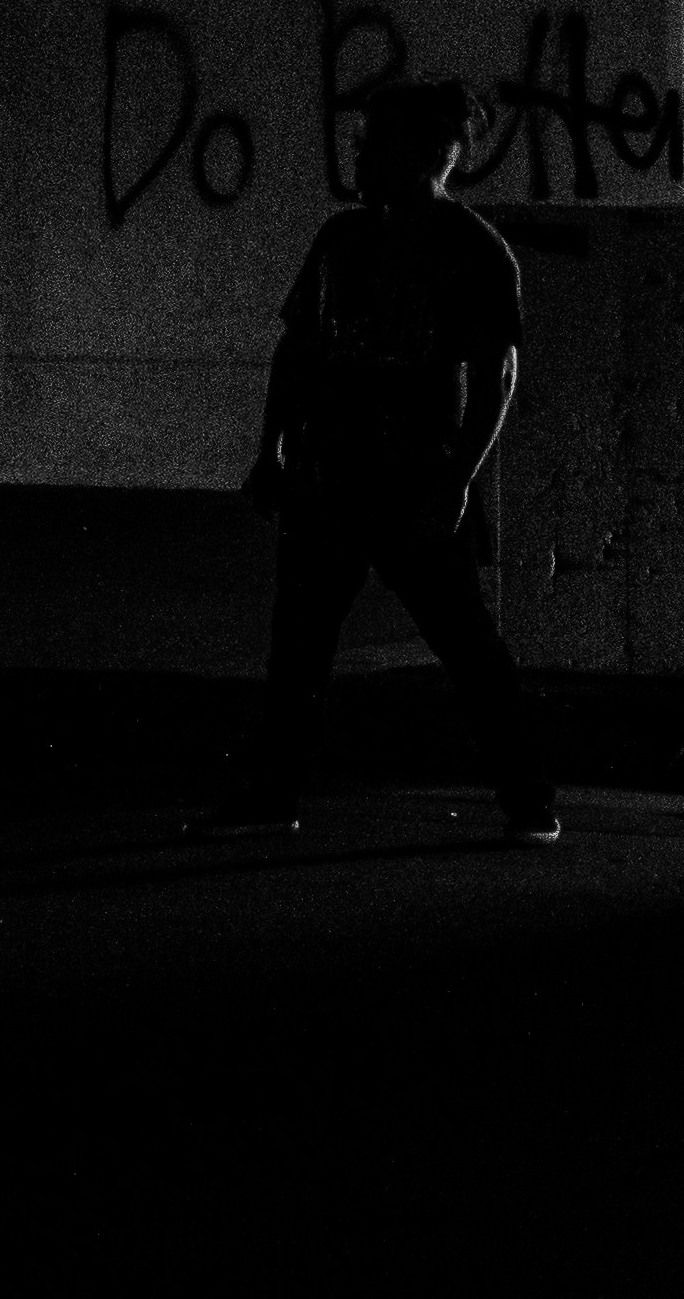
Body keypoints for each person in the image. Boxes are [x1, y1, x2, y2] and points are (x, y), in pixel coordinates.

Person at [189, 77, 559, 842]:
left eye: (373, 142)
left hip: (412, 477)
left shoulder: (472, 252)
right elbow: (297, 350)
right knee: (300, 646)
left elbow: (498, 376)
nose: (356, 155)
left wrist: (456, 482)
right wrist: (273, 450)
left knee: (464, 644)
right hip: (330, 475)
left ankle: (531, 800)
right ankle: (275, 793)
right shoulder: (340, 241)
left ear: (428, 151)